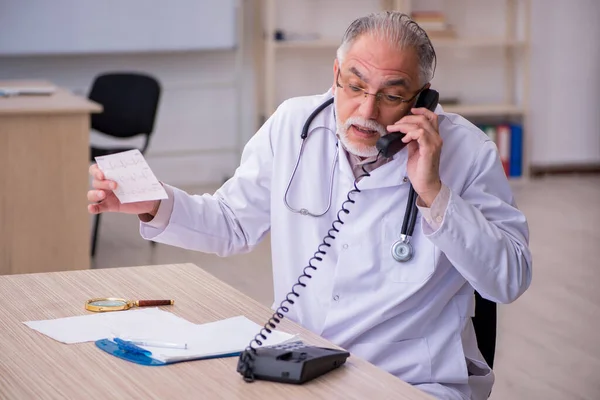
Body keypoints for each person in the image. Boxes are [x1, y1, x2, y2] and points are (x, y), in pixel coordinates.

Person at [87, 11, 532, 400]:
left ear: (423, 99)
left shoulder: (467, 152)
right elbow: (231, 223)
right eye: (354, 85)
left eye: (392, 95)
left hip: (412, 380)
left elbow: (509, 277)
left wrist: (434, 192)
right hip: (301, 365)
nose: (367, 109)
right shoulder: (293, 124)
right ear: (335, 72)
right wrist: (156, 204)